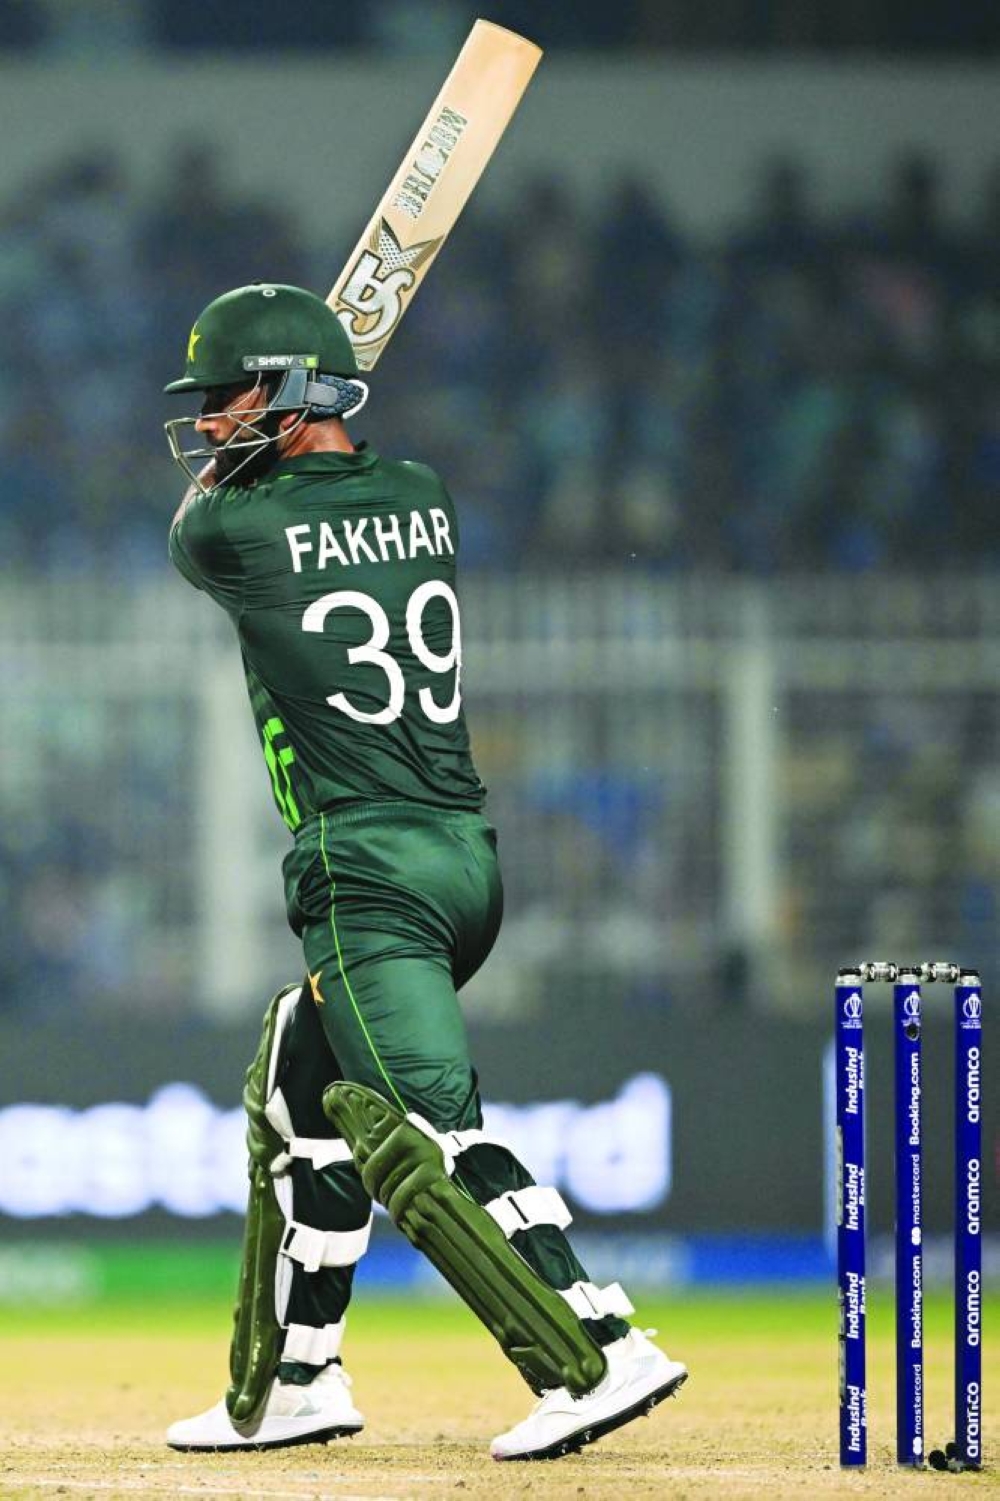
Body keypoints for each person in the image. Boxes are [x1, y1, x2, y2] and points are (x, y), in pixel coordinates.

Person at [162, 281, 687, 1461]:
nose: (207, 422)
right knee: (301, 1094)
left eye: (227, 396)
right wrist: (289, 415)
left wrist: (255, 448)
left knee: (427, 1128)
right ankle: (300, 1379)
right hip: (461, 855)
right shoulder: (422, 494)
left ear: (294, 395)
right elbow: (324, 499)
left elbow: (200, 522)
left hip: (366, 869)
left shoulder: (225, 530)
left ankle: (599, 1343)